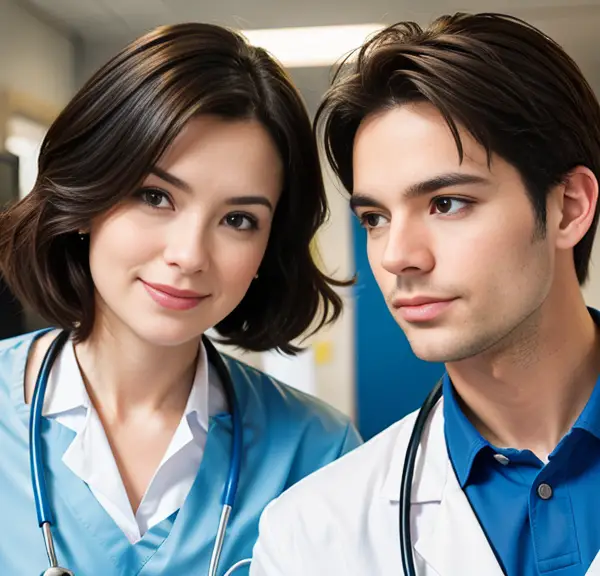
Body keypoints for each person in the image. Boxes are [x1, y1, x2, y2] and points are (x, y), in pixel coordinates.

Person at [0, 22, 362, 575]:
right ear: (87, 195)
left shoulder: (319, 454)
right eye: (155, 196)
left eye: (238, 219)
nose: (189, 254)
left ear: (271, 246)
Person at [250, 12, 600, 576]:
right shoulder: (312, 536)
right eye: (375, 217)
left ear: (569, 208)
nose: (395, 256)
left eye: (446, 203)